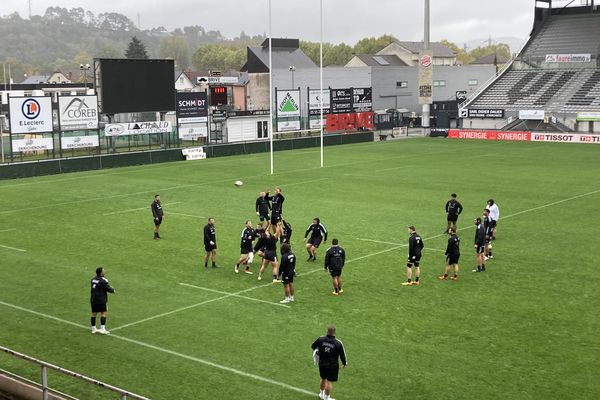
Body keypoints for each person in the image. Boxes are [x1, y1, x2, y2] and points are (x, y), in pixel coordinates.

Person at [311, 325, 347, 400]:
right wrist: (344, 363)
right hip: (332, 366)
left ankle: (321, 394)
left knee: (323, 378)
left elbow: (313, 346)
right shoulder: (338, 343)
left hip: (322, 364)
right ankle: (327, 398)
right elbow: (342, 355)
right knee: (329, 382)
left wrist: (319, 351)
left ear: (327, 331)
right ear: (335, 332)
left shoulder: (320, 339)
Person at [90, 267, 115, 335]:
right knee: (103, 313)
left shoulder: (93, 279)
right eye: (103, 271)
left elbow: (101, 286)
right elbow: (108, 288)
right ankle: (102, 329)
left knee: (94, 313)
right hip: (101, 300)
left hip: (93, 299)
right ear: (101, 273)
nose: (105, 271)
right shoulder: (103, 280)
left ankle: (93, 328)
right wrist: (113, 290)